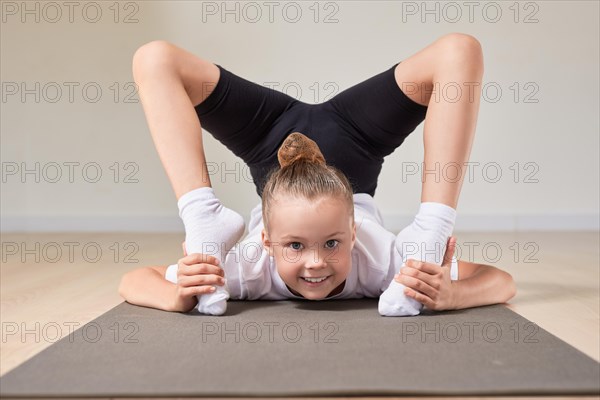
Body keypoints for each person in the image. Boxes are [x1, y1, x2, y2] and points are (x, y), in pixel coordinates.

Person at [118, 34, 516, 316]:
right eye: (294, 247)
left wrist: (449, 293)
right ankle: (202, 217)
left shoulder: (248, 271)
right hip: (349, 148)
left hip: (272, 141)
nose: (315, 264)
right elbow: (500, 282)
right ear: (267, 242)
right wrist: (176, 295)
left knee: (462, 49)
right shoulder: (390, 268)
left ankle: (432, 229)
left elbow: (135, 281)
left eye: (331, 243)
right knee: (153, 58)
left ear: (354, 232)